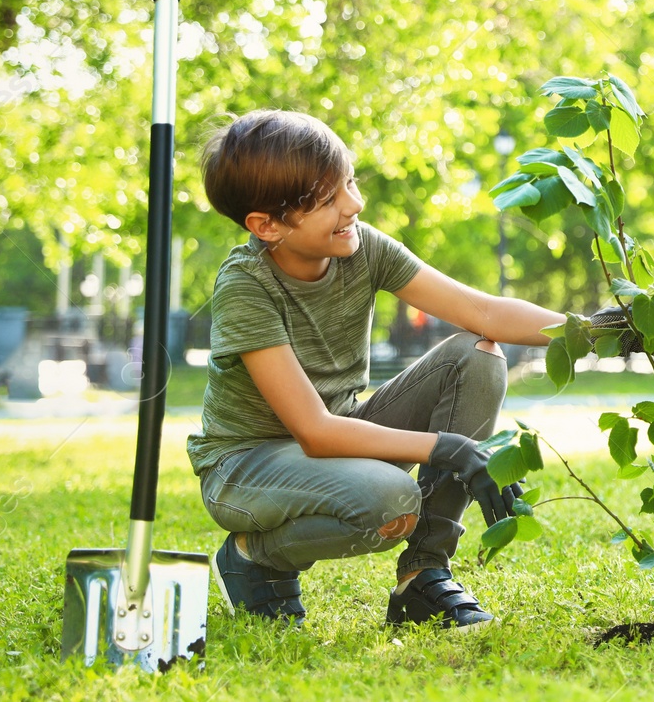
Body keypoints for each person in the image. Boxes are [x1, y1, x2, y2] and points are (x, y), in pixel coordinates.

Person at [187, 110, 626, 630]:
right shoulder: (245, 287)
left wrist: (594, 330)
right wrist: (450, 448)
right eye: (328, 199)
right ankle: (253, 556)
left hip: (340, 438)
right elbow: (313, 430)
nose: (353, 203)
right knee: (391, 500)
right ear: (267, 226)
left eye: (348, 181)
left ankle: (422, 576)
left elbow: (482, 313)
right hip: (246, 467)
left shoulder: (361, 246)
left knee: (476, 354)